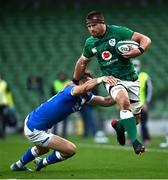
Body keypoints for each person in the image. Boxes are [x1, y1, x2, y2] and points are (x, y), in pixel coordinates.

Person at [72, 11, 151, 154]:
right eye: (88, 26)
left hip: (131, 79)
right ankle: (135, 142)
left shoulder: (119, 32)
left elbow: (145, 39)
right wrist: (75, 80)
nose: (91, 29)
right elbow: (82, 62)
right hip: (111, 79)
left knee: (136, 120)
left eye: (93, 25)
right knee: (123, 101)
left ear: (102, 23)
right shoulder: (90, 42)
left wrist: (139, 50)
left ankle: (120, 127)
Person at [10, 73, 116, 171]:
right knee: (71, 149)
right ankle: (42, 163)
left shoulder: (85, 96)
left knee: (43, 150)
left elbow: (106, 101)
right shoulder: (71, 90)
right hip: (35, 128)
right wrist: (101, 79)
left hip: (35, 121)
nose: (91, 86)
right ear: (80, 83)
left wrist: (121, 94)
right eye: (88, 82)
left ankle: (18, 165)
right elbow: (82, 87)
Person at [132, 59, 152, 145]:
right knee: (131, 122)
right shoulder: (127, 75)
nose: (135, 67)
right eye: (133, 65)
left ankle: (146, 139)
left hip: (142, 104)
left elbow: (149, 90)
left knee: (143, 123)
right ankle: (131, 139)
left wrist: (146, 102)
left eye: (136, 65)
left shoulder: (144, 76)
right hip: (131, 104)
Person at [51, 71, 70, 137]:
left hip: (66, 104)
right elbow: (52, 93)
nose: (62, 77)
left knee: (65, 120)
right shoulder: (55, 83)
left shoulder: (69, 82)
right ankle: (54, 133)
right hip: (57, 103)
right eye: (60, 75)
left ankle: (64, 134)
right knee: (55, 119)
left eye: (63, 75)